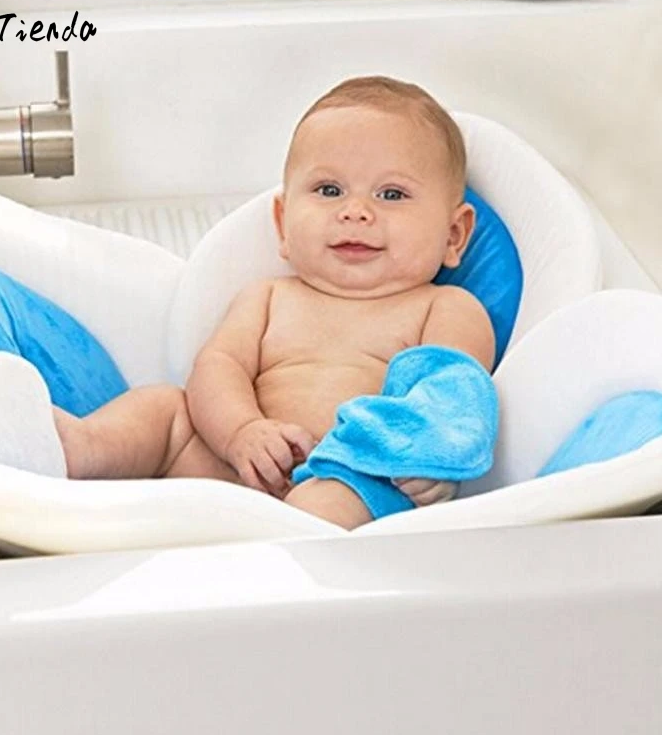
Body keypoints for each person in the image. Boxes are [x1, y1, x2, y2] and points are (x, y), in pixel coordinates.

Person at [54, 75, 495, 529]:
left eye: (392, 194)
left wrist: (429, 462)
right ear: (283, 224)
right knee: (164, 409)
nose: (355, 211)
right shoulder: (267, 297)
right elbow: (217, 367)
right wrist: (241, 431)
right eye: (329, 190)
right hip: (232, 465)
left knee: (331, 501)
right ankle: (82, 448)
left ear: (453, 235)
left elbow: (448, 399)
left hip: (345, 476)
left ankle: (274, 554)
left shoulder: (446, 308)